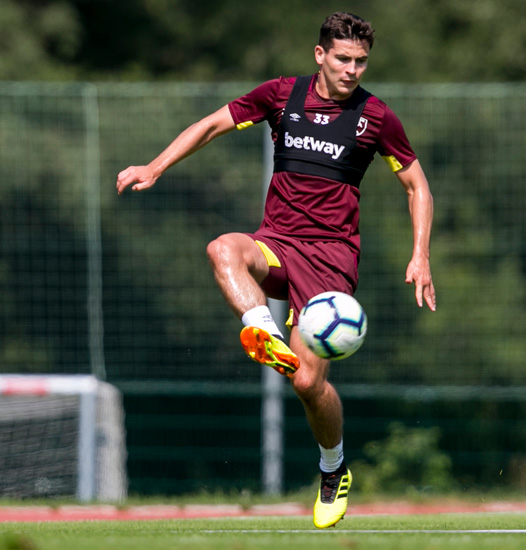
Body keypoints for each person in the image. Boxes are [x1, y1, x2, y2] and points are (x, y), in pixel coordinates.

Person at [116, 12, 436, 529]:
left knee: (308, 384)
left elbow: (416, 186)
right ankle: (260, 329)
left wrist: (420, 254)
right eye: (343, 58)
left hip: (331, 261)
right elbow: (212, 125)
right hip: (276, 245)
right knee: (223, 248)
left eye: (361, 61)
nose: (353, 69)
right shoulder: (282, 95)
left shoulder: (376, 117)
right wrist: (155, 166)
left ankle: (333, 470)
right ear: (320, 55)